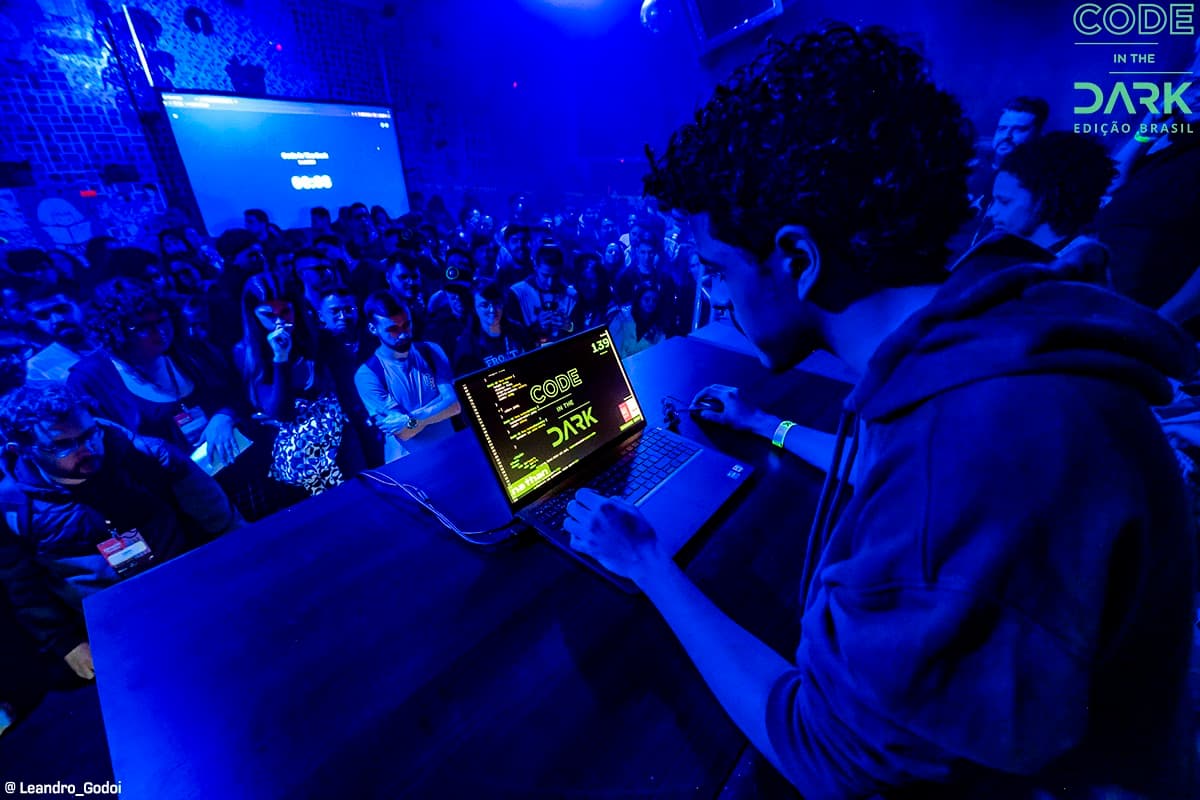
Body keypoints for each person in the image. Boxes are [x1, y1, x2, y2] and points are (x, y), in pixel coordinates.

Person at [564, 25, 1198, 798]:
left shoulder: (976, 448)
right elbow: (902, 468)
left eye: (719, 270)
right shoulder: (986, 334)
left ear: (796, 259)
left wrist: (645, 563)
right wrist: (767, 427)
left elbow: (824, 753)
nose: (718, 298)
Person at [0, 383, 240, 676]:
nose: (87, 449)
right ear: (21, 450)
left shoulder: (149, 456)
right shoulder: (12, 507)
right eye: (63, 445)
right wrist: (67, 645)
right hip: (120, 632)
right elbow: (24, 586)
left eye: (90, 434)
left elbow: (223, 521)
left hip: (195, 593)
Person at [235, 273, 363, 496]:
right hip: (295, 464)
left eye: (285, 311)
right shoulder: (246, 354)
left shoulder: (324, 340)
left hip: (342, 449)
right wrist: (280, 358)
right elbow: (280, 412)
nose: (279, 322)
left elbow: (352, 400)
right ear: (253, 316)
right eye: (268, 314)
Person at [972, 132, 1116, 282]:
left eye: (1004, 202)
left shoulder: (1080, 271)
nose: (991, 213)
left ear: (1045, 200)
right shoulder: (1012, 258)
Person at [355, 291, 459, 463]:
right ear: (373, 329)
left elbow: (454, 405)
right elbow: (404, 432)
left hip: (449, 454)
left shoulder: (431, 351)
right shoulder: (367, 375)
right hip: (409, 467)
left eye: (406, 325)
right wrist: (439, 406)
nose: (403, 334)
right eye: (393, 329)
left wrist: (411, 419)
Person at [453, 279, 534, 376]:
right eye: (484, 305)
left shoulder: (517, 330)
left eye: (496, 303)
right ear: (474, 309)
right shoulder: (467, 345)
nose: (492, 310)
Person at [22, 287, 97, 383]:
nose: (57, 320)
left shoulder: (115, 333)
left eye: (62, 309)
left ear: (77, 304)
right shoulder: (37, 369)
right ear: (34, 321)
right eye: (42, 315)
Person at [507, 243, 577, 342]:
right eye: (545, 275)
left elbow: (579, 329)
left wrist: (569, 327)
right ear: (535, 266)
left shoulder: (572, 295)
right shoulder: (517, 293)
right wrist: (536, 327)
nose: (550, 282)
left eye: (555, 276)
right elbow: (512, 336)